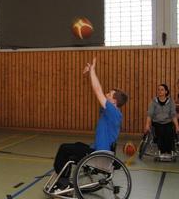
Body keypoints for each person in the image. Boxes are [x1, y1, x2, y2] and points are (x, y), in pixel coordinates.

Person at [52, 58, 128, 189]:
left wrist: (92, 71)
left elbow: (97, 90)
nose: (106, 94)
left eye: (109, 94)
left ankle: (63, 183)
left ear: (114, 101)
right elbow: (99, 93)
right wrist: (90, 75)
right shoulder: (110, 112)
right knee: (76, 146)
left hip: (98, 154)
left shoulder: (113, 112)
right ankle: (64, 177)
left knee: (64, 148)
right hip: (97, 150)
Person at [144, 84, 179, 157]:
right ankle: (162, 151)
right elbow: (150, 114)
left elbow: (173, 115)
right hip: (157, 122)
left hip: (168, 122)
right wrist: (147, 125)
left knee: (169, 131)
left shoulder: (171, 101)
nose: (160, 91)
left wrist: (177, 127)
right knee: (160, 131)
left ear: (166, 92)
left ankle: (169, 151)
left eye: (162, 90)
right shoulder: (153, 101)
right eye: (158, 90)